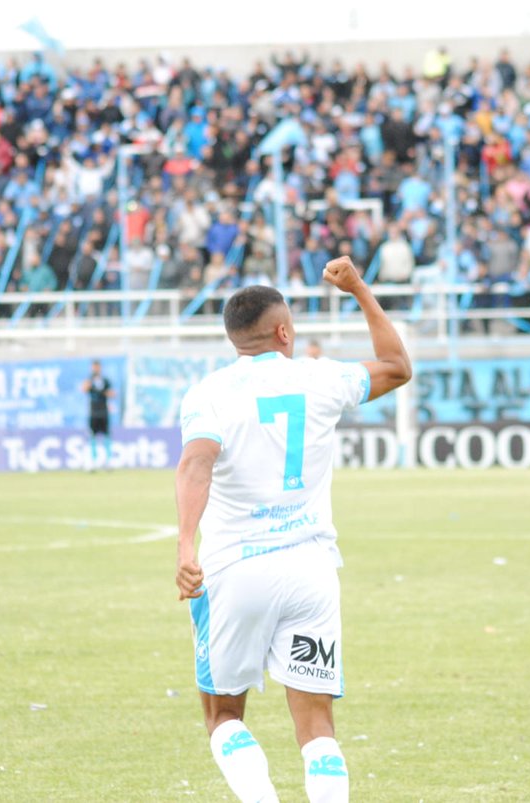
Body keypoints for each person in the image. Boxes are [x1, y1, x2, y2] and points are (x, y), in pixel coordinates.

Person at [174, 256, 412, 802]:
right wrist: (357, 288)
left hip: (235, 569)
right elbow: (396, 365)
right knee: (317, 728)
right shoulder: (321, 375)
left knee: (224, 714)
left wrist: (187, 546)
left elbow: (196, 463)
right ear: (283, 332)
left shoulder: (208, 393)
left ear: (235, 339)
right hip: (310, 570)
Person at [81, 359, 115, 471]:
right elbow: (84, 389)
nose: (96, 369)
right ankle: (93, 462)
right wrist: (90, 385)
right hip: (93, 413)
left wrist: (102, 392)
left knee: (107, 437)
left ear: (100, 368)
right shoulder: (89, 380)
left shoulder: (105, 381)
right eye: (94, 367)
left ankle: (108, 462)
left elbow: (112, 394)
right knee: (93, 438)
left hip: (104, 412)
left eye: (97, 367)